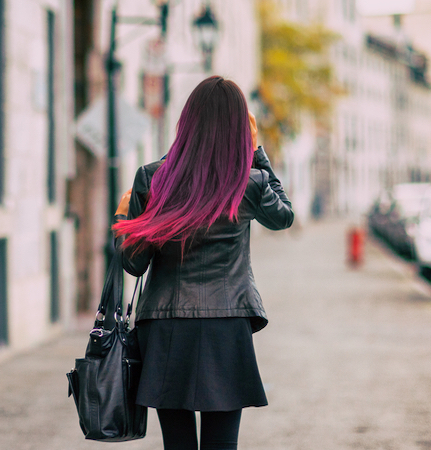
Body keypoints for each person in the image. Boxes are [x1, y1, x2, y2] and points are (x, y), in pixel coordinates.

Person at [112, 76, 294, 450]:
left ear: (187, 123)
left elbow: (133, 265)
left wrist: (125, 224)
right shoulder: (250, 181)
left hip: (165, 326)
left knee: (177, 445)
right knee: (221, 444)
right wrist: (258, 152)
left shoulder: (152, 178)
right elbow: (284, 216)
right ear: (238, 129)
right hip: (226, 326)